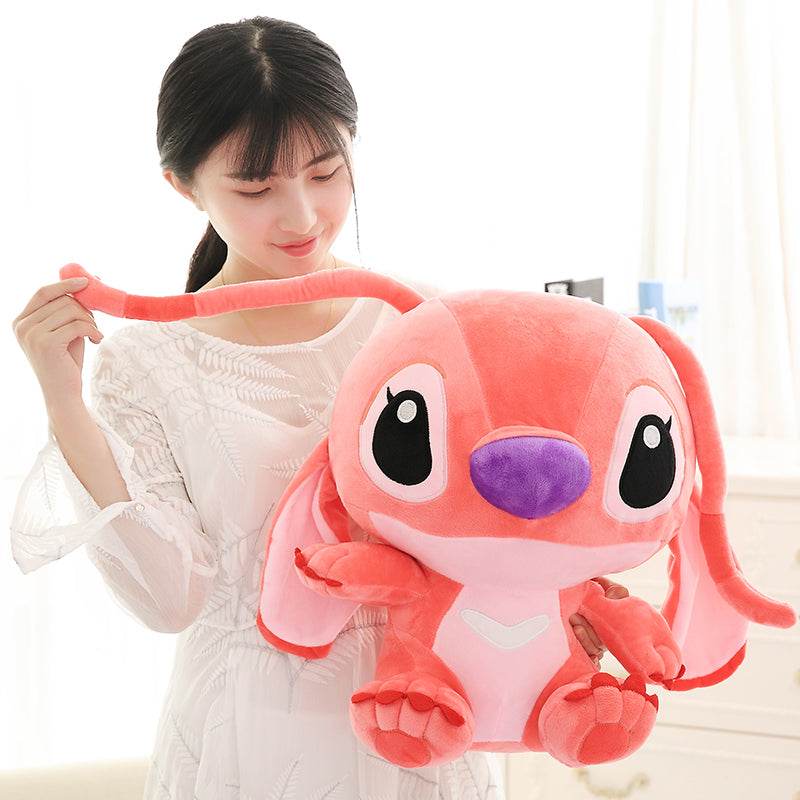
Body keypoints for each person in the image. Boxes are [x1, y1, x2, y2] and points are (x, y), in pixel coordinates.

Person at [9, 16, 628, 799]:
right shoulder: (146, 366)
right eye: (256, 188)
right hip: (248, 734)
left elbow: (497, 520)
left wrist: (561, 589)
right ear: (183, 185)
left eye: (326, 172)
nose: (300, 215)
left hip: (425, 715)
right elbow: (169, 601)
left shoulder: (421, 326)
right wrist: (63, 400)